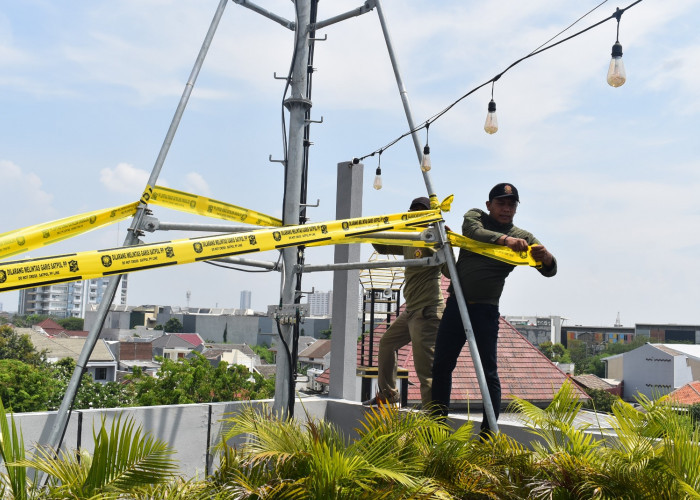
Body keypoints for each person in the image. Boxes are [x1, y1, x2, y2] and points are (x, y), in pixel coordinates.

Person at [431, 183, 557, 433]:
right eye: (501, 203)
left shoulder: (523, 237)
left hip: (486, 311)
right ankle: (436, 427)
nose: (507, 209)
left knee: (488, 373)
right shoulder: (475, 216)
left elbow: (550, 271)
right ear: (489, 205)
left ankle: (488, 435)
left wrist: (547, 257)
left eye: (512, 204)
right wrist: (505, 241)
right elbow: (474, 232)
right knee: (442, 366)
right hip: (456, 306)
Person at [363, 196, 447, 408]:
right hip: (411, 311)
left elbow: (448, 269)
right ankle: (388, 395)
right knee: (386, 344)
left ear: (429, 217)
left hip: (427, 311)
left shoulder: (430, 237)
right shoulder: (411, 238)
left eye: (422, 211)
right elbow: (382, 247)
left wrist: (443, 242)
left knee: (425, 371)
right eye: (413, 211)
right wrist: (372, 228)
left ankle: (433, 420)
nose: (416, 214)